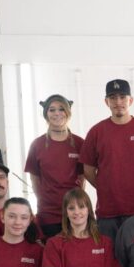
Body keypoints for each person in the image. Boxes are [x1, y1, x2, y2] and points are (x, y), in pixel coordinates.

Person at [80, 78, 134, 241]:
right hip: (108, 212)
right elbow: (88, 170)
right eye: (113, 97)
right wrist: (107, 187)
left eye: (122, 97)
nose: (118, 102)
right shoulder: (96, 132)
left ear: (131, 100)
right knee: (110, 260)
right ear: (106, 102)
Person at [25, 94, 86, 237]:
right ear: (46, 114)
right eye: (52, 110)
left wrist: (76, 204)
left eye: (61, 109)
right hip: (48, 214)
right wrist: (44, 200)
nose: (57, 113)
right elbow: (34, 180)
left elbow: (83, 177)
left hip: (75, 212)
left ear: (68, 113)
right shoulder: (37, 145)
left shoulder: (79, 143)